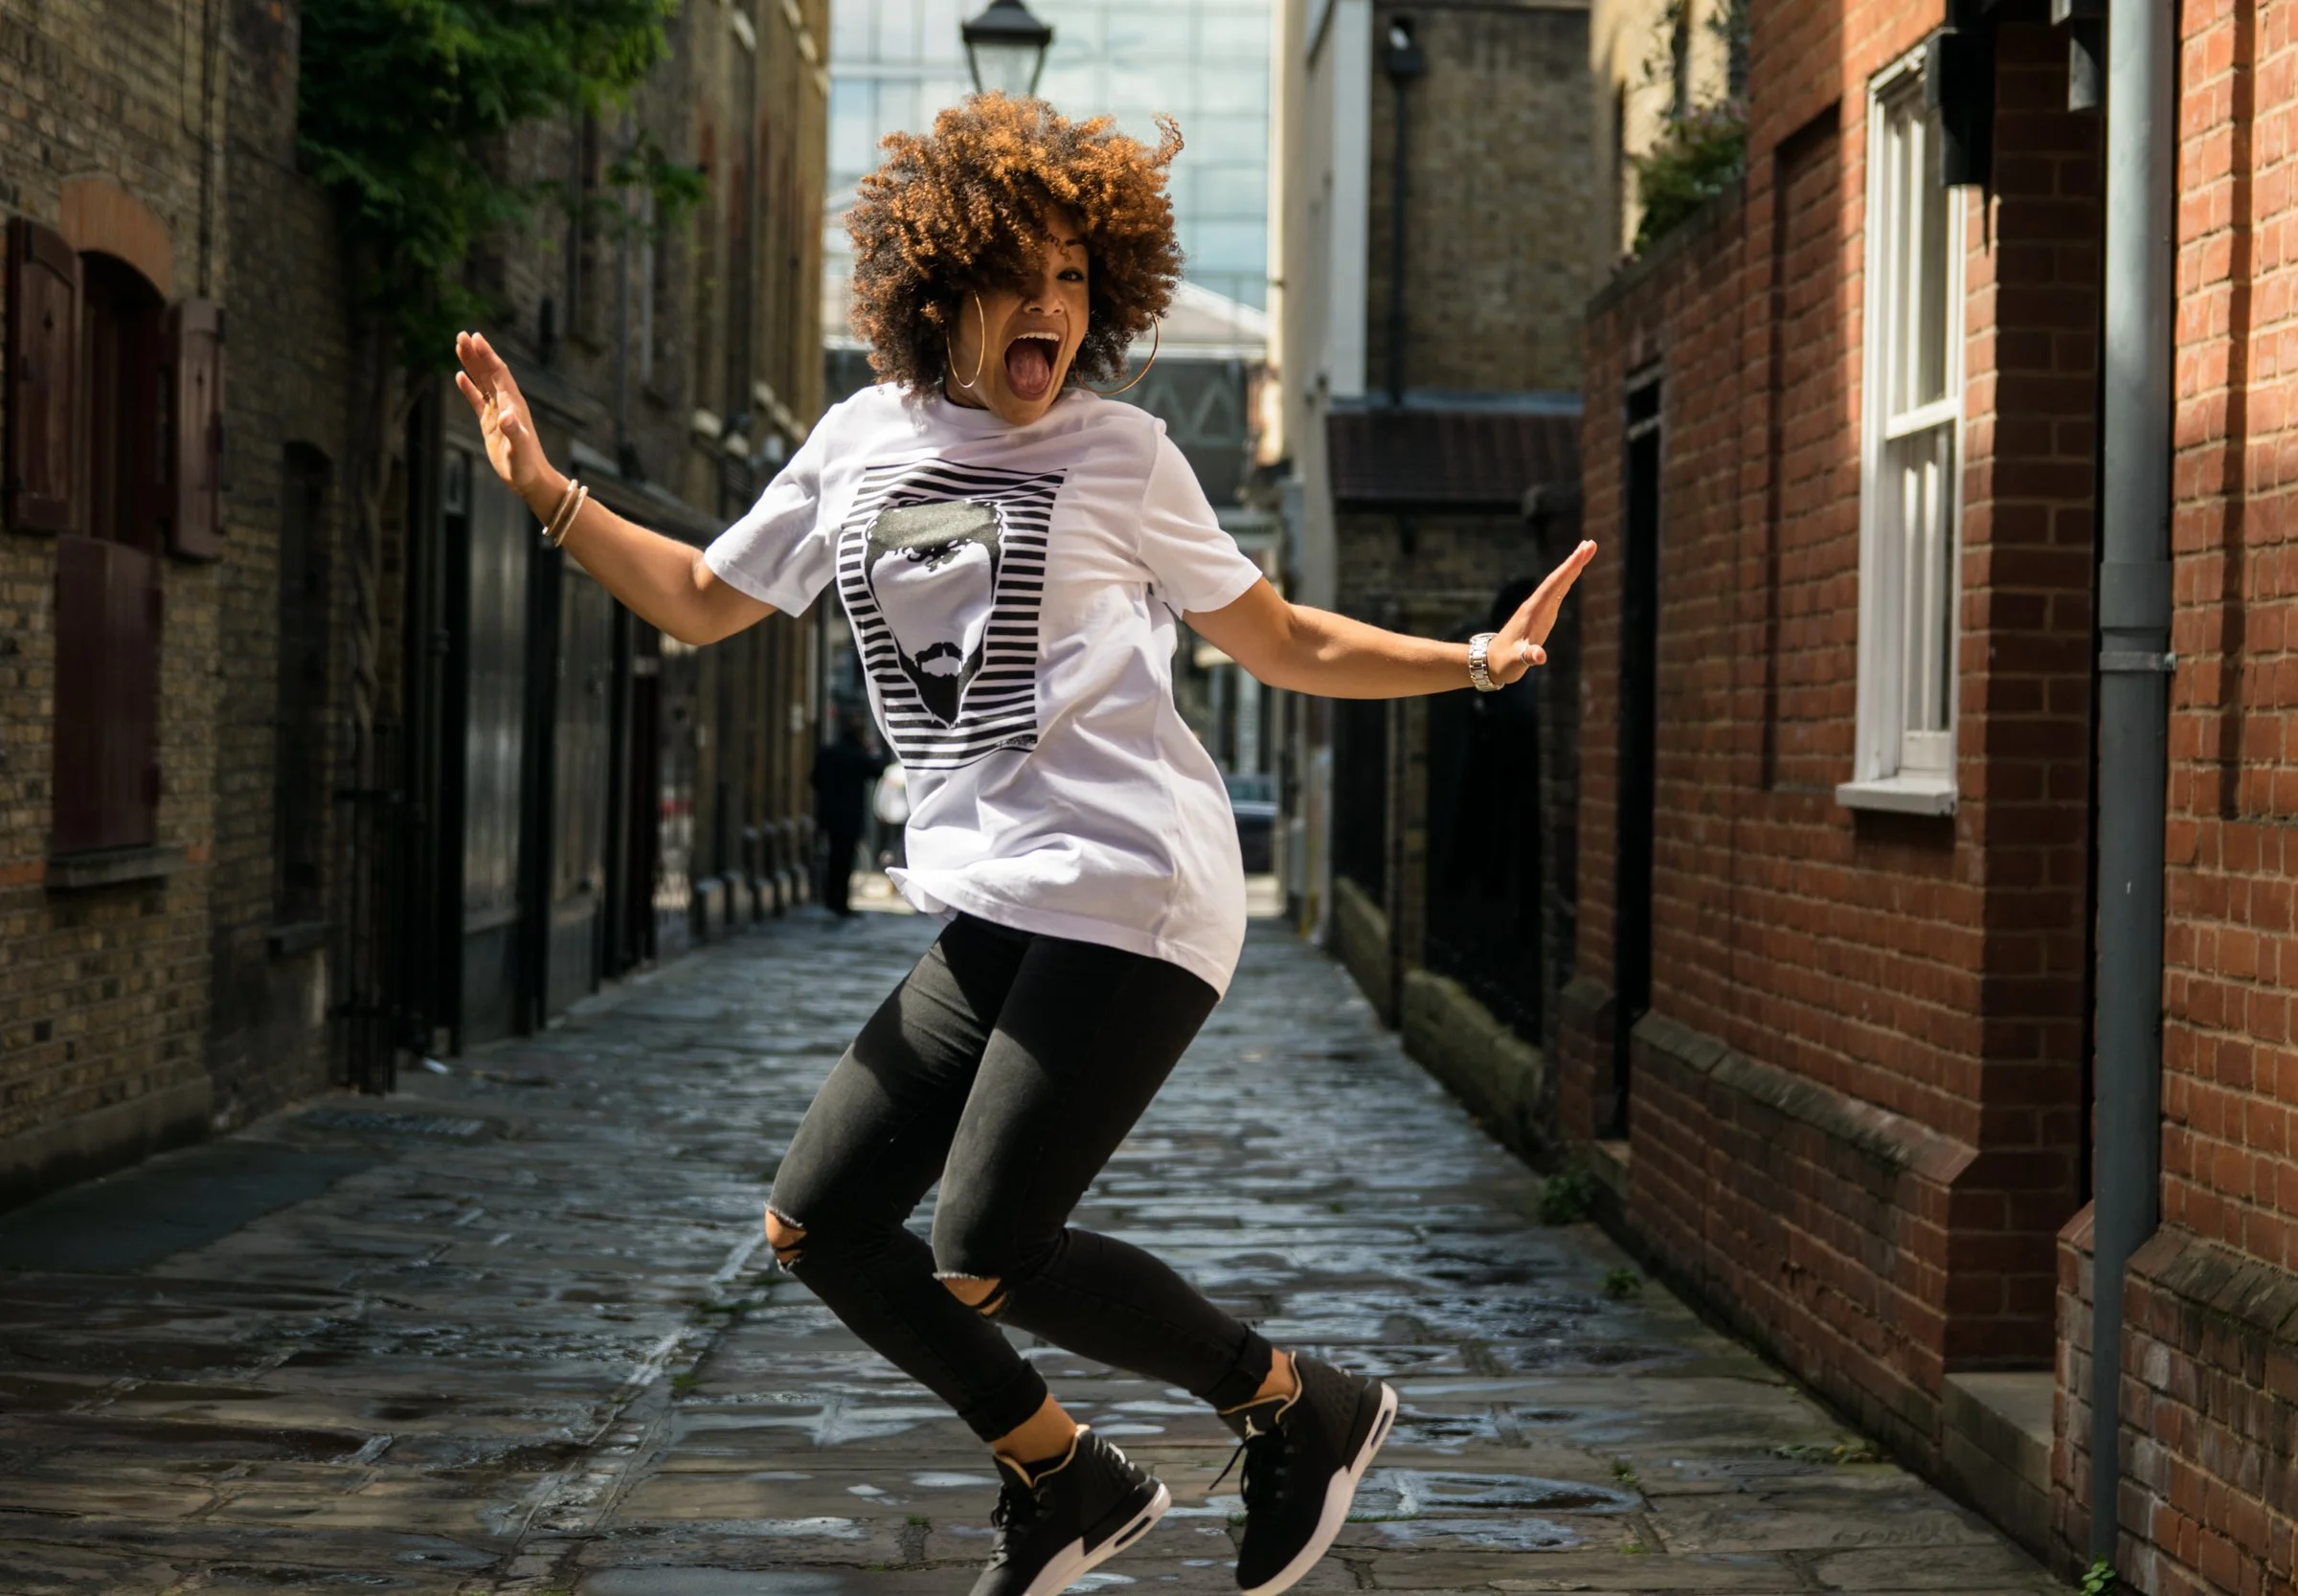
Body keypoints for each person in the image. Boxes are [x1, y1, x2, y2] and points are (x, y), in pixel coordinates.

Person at [454, 93, 1591, 1596]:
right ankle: (1064, 1474)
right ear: (941, 288)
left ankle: (1295, 1404)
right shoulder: (861, 439)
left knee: (984, 1240)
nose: (1047, 305)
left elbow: (1279, 634)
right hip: (991, 896)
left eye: (1073, 277)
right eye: (1015, 274)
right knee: (820, 1220)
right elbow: (704, 596)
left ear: (1103, 295)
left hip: (1135, 883)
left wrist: (1467, 657)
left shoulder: (1124, 455)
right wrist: (548, 491)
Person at [809, 710, 888, 915]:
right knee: (844, 860)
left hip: (830, 814)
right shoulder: (858, 755)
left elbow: (814, 780)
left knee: (833, 857)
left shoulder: (828, 753)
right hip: (850, 816)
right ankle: (840, 901)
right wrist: (871, 750)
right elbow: (878, 770)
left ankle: (830, 898)